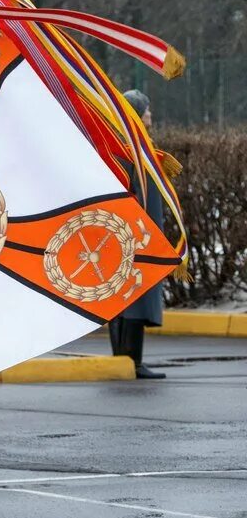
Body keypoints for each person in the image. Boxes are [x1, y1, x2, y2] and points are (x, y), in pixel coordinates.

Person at [108, 89, 166, 380]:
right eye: (146, 110)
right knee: (134, 296)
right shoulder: (131, 148)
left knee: (126, 296)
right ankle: (131, 361)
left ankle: (124, 360)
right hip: (136, 233)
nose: (150, 115)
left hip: (132, 231)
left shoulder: (128, 145)